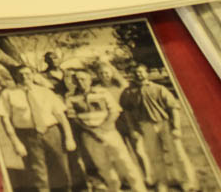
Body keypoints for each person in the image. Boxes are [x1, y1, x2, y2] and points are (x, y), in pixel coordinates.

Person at [0, 66, 77, 192]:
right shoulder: (8, 94)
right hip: (28, 136)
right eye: (21, 74)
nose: (24, 77)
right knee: (38, 174)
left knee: (61, 169)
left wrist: (69, 137)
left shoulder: (45, 91)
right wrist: (16, 142)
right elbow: (5, 120)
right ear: (16, 76)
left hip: (52, 133)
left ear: (33, 75)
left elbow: (61, 116)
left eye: (27, 74)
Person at [119, 64, 197, 192]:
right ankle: (162, 182)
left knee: (177, 153)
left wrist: (176, 127)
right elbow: (128, 113)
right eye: (135, 72)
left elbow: (173, 108)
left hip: (164, 123)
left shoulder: (159, 88)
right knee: (154, 156)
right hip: (146, 126)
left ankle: (186, 182)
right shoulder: (128, 93)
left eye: (140, 72)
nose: (138, 74)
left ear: (147, 73)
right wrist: (132, 129)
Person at [66, 70, 146, 192]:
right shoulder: (71, 97)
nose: (80, 82)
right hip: (90, 136)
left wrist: (104, 128)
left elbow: (115, 111)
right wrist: (93, 132)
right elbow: (74, 118)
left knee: (125, 162)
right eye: (77, 79)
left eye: (83, 79)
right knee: (103, 165)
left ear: (90, 80)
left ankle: (139, 189)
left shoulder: (102, 92)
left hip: (109, 132)